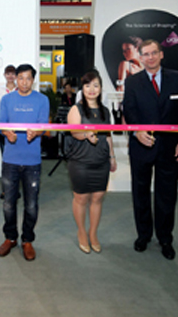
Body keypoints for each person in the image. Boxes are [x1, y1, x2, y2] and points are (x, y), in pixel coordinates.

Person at [122, 39, 178, 260]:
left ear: (161, 54)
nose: (150, 57)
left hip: (170, 147)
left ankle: (165, 238)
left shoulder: (177, 79)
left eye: (154, 53)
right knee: (140, 193)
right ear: (140, 57)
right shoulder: (132, 82)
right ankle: (143, 235)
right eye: (146, 54)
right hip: (141, 146)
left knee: (167, 195)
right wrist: (137, 131)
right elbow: (129, 110)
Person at [0, 64, 49, 261]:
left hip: (32, 161)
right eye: (21, 78)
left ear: (33, 80)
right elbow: (1, 123)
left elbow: (43, 124)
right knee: (8, 204)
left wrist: (36, 132)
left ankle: (27, 240)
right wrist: (6, 132)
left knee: (31, 204)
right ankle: (10, 237)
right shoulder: (7, 99)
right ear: (15, 79)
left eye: (28, 78)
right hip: (10, 159)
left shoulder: (42, 100)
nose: (24, 82)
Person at [66, 70, 116, 254]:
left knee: (97, 198)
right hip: (81, 162)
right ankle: (81, 232)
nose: (92, 89)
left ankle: (93, 233)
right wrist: (86, 134)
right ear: (83, 89)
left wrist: (112, 156)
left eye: (95, 85)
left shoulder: (105, 111)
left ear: (101, 88)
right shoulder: (76, 109)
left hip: (101, 161)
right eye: (87, 85)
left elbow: (108, 136)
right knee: (81, 198)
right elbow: (74, 132)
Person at [0, 65, 17, 153]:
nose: (10, 76)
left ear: (16, 75)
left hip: (17, 124)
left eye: (13, 74)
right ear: (4, 75)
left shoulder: (20, 90)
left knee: (16, 151)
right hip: (3, 125)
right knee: (4, 151)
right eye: (8, 74)